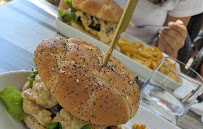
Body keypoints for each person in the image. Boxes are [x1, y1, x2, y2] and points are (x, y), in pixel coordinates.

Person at [59, 0, 203, 59]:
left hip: (129, 64)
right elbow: (66, 11)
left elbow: (165, 53)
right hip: (70, 45)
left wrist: (172, 45)